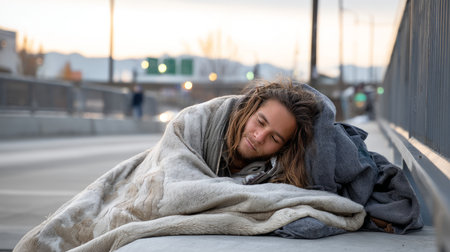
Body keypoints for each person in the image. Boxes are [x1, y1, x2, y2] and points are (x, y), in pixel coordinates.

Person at [14, 78, 422, 252]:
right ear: (250, 109)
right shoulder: (199, 120)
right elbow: (167, 183)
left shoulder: (278, 165)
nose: (260, 137)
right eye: (260, 122)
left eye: (274, 137)